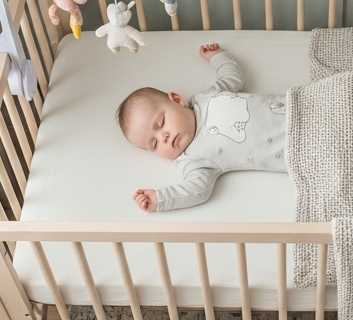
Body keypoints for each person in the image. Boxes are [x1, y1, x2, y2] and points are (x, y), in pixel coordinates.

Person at [117, 43, 287, 211]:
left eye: (161, 123)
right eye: (154, 144)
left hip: (292, 105)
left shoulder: (205, 98)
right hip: (293, 147)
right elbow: (198, 190)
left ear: (177, 100)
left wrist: (218, 57)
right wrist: (160, 198)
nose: (164, 138)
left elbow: (233, 79)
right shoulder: (192, 159)